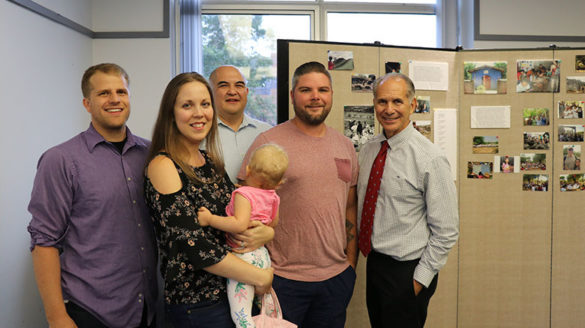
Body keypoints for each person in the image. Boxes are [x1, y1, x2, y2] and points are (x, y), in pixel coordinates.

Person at [27, 63, 158, 327]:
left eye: (121, 91)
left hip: (147, 307)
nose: (114, 99)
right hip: (91, 311)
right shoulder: (61, 160)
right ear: (87, 103)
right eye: (103, 93)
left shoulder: (151, 155)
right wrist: (57, 317)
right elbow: (44, 242)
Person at [144, 72, 273, 328]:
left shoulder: (210, 161)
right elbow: (195, 246)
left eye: (205, 104)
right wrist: (260, 276)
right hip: (197, 305)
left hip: (232, 294)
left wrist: (266, 232)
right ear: (171, 113)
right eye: (187, 105)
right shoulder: (163, 165)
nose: (199, 113)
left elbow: (237, 215)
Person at [238, 61, 359, 327]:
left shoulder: (345, 146)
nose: (316, 96)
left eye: (323, 90)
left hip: (335, 278)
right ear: (292, 95)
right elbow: (243, 201)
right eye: (306, 90)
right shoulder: (268, 142)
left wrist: (350, 264)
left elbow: (350, 206)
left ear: (331, 95)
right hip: (283, 279)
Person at [357, 73, 459, 328]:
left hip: (407, 271)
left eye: (397, 102)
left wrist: (418, 280)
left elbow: (447, 230)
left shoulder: (430, 158)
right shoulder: (370, 149)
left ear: (412, 105)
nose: (389, 109)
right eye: (382, 102)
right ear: (374, 104)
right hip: (375, 264)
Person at [198, 143, 289, 328]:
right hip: (262, 256)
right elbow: (273, 223)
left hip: (243, 259)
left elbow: (238, 224)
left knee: (240, 313)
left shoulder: (243, 194)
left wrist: (210, 219)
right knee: (263, 304)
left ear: (247, 170)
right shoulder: (274, 196)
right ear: (279, 183)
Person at [208, 65, 272, 184]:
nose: (232, 92)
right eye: (223, 85)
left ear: (246, 92)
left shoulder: (267, 133)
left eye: (239, 85)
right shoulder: (201, 134)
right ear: (210, 93)